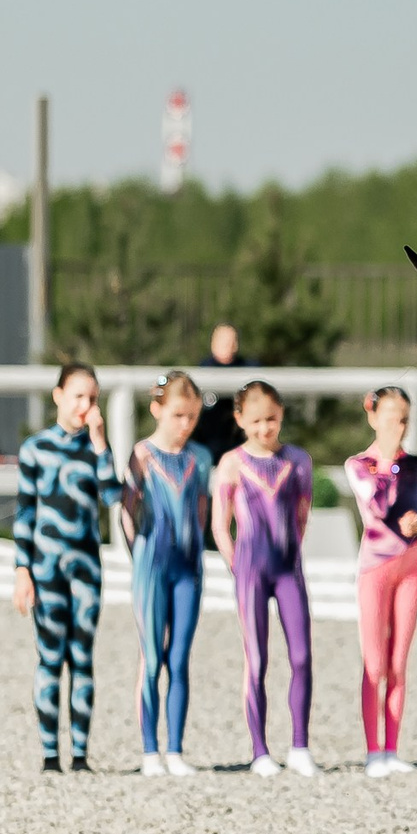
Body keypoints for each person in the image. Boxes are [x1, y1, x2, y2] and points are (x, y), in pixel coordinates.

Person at [12, 362, 123, 773]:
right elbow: (24, 514)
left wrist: (100, 443)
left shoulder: (95, 450)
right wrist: (22, 569)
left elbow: (114, 497)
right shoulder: (35, 449)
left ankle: (79, 755)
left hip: (86, 570)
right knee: (49, 658)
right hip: (46, 568)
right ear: (58, 396)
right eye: (78, 396)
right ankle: (48, 754)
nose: (85, 405)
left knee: (82, 658)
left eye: (92, 398)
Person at [212, 380, 316, 777]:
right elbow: (220, 525)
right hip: (250, 570)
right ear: (240, 419)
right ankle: (259, 751)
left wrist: (292, 552)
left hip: (288, 568)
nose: (264, 428)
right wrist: (236, 564)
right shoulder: (232, 463)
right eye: (255, 421)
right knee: (256, 660)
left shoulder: (298, 461)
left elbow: (302, 516)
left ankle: (300, 746)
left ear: (282, 415)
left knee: (302, 656)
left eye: (271, 419)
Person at [122, 371, 213, 777]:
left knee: (179, 658)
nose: (185, 424)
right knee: (152, 657)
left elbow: (203, 514)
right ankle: (149, 751)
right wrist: (138, 557)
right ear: (157, 409)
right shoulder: (141, 454)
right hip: (151, 567)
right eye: (178, 415)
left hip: (188, 568)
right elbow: (126, 512)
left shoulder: (201, 458)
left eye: (192, 416)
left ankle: (175, 749)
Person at [345, 385, 417, 777]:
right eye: (392, 415)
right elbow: (378, 506)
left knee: (398, 663)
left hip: (410, 566)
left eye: (404, 418)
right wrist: (391, 463)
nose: (399, 424)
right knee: (374, 663)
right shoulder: (359, 464)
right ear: (373, 416)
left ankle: (392, 748)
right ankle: (372, 749)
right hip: (375, 568)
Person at [190, 323, 255, 466]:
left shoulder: (248, 369)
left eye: (232, 341)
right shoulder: (203, 370)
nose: (229, 345)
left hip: (241, 449)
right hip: (209, 450)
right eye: (223, 341)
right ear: (213, 343)